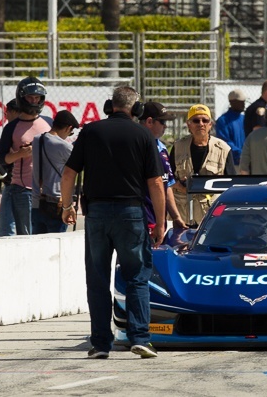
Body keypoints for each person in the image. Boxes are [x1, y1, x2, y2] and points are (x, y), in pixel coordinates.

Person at [60, 85, 166, 359]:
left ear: (111, 105)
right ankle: (140, 338)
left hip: (96, 214)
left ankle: (100, 344)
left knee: (97, 279)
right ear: (136, 109)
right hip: (131, 214)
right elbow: (155, 182)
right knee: (137, 277)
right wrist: (161, 222)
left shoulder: (91, 131)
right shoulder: (144, 134)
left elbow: (69, 172)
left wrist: (66, 206)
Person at [0, 77, 52, 235]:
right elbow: (2, 159)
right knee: (26, 236)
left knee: (47, 236)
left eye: (37, 98)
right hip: (23, 191)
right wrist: (19, 154)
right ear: (22, 98)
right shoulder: (11, 127)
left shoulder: (48, 122)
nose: (34, 101)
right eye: (30, 97)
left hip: (48, 191)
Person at [170, 104, 235, 225]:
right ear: (188, 124)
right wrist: (180, 186)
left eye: (205, 120)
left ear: (210, 124)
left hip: (211, 216)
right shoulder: (178, 147)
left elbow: (231, 185)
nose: (201, 124)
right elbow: (168, 178)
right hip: (182, 215)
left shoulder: (223, 149)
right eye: (196, 120)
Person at [138, 101, 187, 231]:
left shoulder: (162, 148)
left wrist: (176, 217)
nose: (165, 127)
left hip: (158, 221)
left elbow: (167, 184)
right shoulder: (136, 147)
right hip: (140, 220)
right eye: (163, 122)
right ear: (149, 122)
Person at [30, 110, 79, 234]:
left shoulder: (37, 140)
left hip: (37, 202)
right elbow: (78, 165)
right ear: (69, 128)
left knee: (37, 245)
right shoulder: (64, 146)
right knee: (56, 248)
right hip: (57, 204)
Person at [0, 99, 21, 237]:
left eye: (7, 113)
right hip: (21, 183)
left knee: (6, 228)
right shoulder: (26, 128)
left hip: (13, 182)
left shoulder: (13, 128)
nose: (6, 116)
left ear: (15, 112)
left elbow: (7, 154)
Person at [215, 89, 246, 167]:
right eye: (241, 102)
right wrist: (240, 154)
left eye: (244, 102)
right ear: (232, 102)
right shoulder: (223, 121)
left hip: (246, 161)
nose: (243, 104)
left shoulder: (245, 119)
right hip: (232, 163)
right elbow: (225, 142)